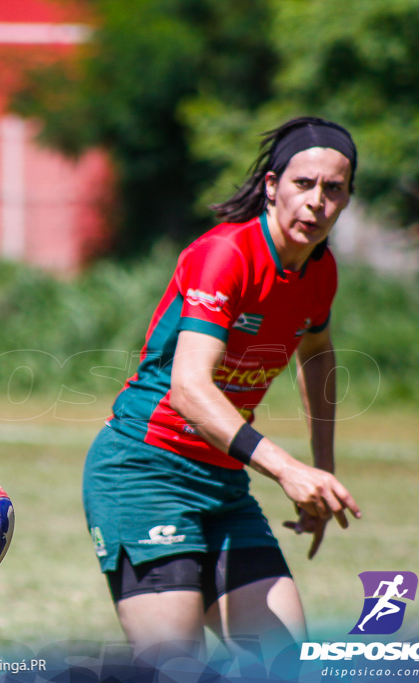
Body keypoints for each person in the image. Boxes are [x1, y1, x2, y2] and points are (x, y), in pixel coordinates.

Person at [82, 117, 362, 668]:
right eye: (304, 184)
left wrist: (320, 472)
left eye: (334, 189)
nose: (317, 202)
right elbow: (188, 389)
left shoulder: (320, 271)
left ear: (348, 197)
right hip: (144, 472)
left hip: (221, 483)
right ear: (272, 186)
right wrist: (287, 470)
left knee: (286, 663)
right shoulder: (227, 254)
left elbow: (317, 352)